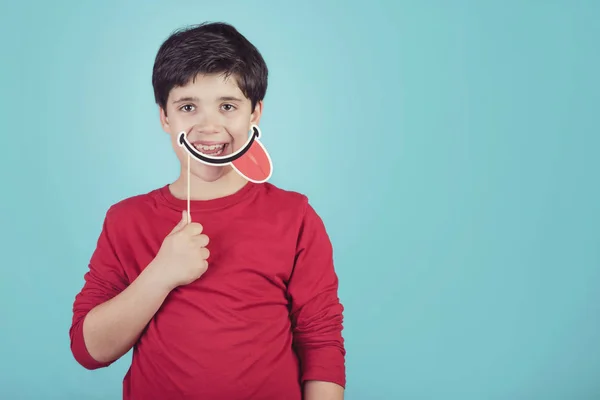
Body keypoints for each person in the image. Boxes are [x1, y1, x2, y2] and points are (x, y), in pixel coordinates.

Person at [69, 22, 346, 400]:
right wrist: (160, 275)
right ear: (165, 117)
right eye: (187, 107)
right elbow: (89, 350)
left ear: (255, 114)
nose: (209, 126)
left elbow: (321, 342)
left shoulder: (294, 216)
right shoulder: (126, 220)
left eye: (228, 106)